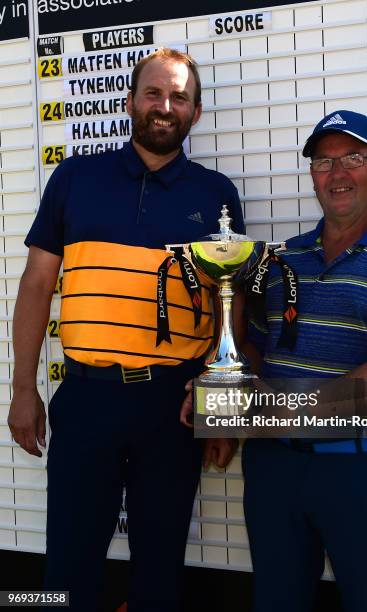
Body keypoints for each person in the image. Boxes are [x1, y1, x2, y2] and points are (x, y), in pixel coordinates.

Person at [8, 48, 242, 611]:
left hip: (173, 407)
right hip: (87, 397)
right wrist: (21, 390)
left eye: (179, 97)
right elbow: (37, 286)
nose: (165, 106)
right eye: (154, 94)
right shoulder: (75, 178)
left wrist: (222, 409)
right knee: (67, 568)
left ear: (196, 112)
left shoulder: (217, 197)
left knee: (159, 573)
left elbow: (230, 307)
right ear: (132, 101)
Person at [240, 111, 367, 611]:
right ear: (313, 175)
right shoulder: (283, 260)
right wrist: (219, 398)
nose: (338, 173)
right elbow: (254, 353)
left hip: (364, 468)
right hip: (274, 468)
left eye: (353, 157)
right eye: (325, 161)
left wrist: (295, 411)